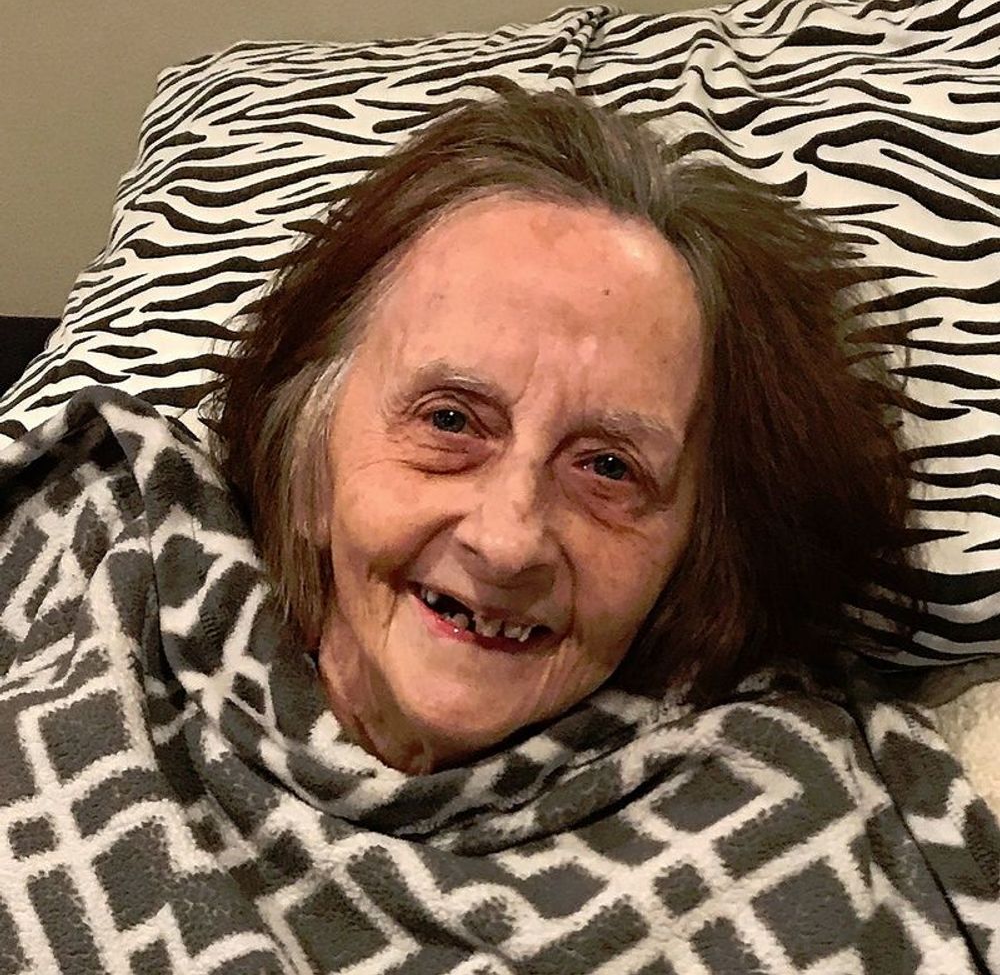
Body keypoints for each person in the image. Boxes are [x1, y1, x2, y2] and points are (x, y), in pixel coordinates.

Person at [212, 82, 923, 775]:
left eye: (609, 467)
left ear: (696, 561)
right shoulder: (148, 618)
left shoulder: (769, 797)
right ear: (307, 464)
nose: (506, 543)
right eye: (450, 421)